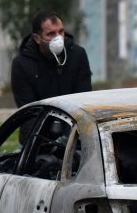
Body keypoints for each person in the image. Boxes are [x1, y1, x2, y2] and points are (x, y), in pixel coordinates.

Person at [11, 10, 92, 141]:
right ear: (37, 38)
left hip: (74, 135)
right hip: (35, 137)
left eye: (61, 32)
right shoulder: (21, 64)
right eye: (51, 34)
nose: (58, 38)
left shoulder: (77, 55)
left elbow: (83, 100)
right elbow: (28, 110)